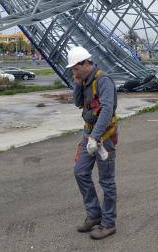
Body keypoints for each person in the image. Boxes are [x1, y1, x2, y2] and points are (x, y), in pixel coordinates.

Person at [68, 45, 118, 240]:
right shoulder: (85, 80)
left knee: (106, 181)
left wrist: (95, 138)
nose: (74, 71)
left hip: (103, 137)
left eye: (75, 68)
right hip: (89, 134)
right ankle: (94, 214)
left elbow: (106, 110)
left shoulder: (103, 81)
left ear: (86, 63)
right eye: (73, 69)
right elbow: (78, 103)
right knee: (80, 172)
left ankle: (108, 223)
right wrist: (77, 83)